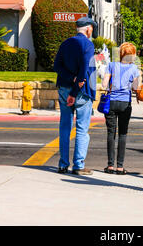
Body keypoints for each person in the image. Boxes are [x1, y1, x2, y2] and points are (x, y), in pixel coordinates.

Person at [53, 17, 97, 175]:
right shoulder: (88, 45)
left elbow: (56, 66)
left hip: (64, 89)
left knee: (64, 127)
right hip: (81, 92)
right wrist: (74, 90)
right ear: (88, 30)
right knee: (81, 129)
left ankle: (63, 164)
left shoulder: (65, 43)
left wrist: (69, 78)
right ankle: (78, 165)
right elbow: (84, 71)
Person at [101, 42, 141, 175]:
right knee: (123, 133)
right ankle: (120, 166)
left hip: (111, 101)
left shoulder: (111, 65)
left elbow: (104, 83)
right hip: (125, 103)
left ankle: (110, 165)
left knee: (111, 133)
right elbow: (136, 88)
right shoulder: (134, 68)